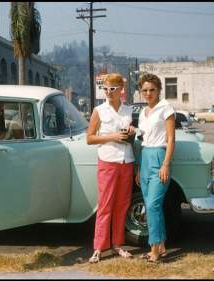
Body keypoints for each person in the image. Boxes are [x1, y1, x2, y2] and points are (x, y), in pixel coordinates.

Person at [86, 73, 136, 263]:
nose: (108, 92)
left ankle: (117, 245)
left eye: (112, 89)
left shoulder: (128, 110)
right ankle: (98, 248)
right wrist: (111, 137)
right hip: (107, 161)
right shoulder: (99, 110)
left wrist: (132, 131)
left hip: (127, 161)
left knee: (122, 205)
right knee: (105, 205)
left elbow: (132, 135)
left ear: (121, 89)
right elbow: (89, 138)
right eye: (105, 88)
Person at [135, 73, 175, 263]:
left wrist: (166, 163)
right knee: (151, 205)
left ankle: (154, 251)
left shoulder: (165, 109)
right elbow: (142, 138)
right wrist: (138, 168)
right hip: (144, 158)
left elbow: (171, 139)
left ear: (159, 90)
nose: (148, 93)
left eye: (152, 90)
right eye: (145, 90)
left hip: (159, 156)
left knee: (153, 205)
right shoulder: (143, 113)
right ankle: (162, 245)